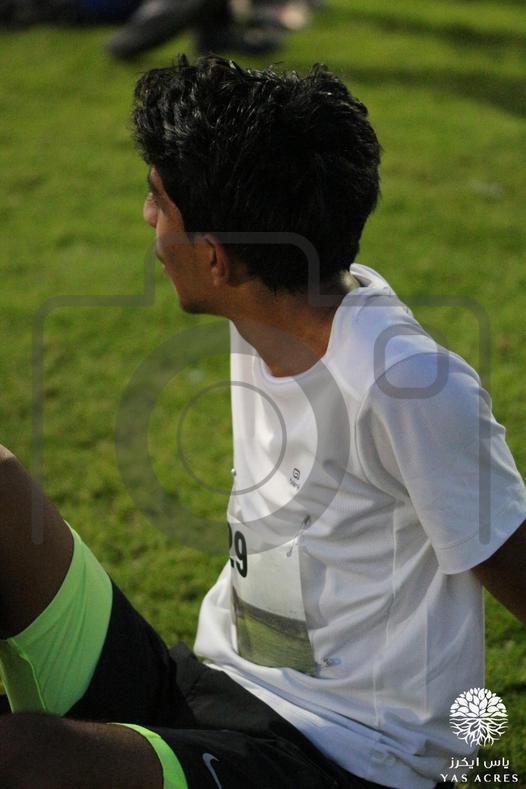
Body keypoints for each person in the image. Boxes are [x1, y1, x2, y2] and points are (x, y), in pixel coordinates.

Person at [1, 54, 525, 789]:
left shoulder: (407, 386)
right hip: (209, 688)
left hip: (341, 756)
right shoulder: (274, 299)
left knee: (21, 756)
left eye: (158, 201)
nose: (148, 219)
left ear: (215, 260)